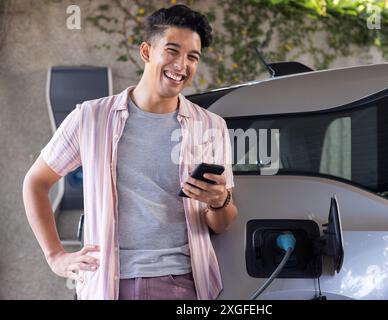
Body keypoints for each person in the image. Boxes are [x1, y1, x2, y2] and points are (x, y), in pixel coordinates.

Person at [22, 4, 238, 300]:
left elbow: (222, 223)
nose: (181, 65)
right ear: (147, 52)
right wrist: (55, 256)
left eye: (192, 57)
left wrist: (220, 201)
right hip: (107, 284)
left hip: (181, 284)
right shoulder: (91, 117)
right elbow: (36, 182)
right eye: (172, 51)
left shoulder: (210, 126)